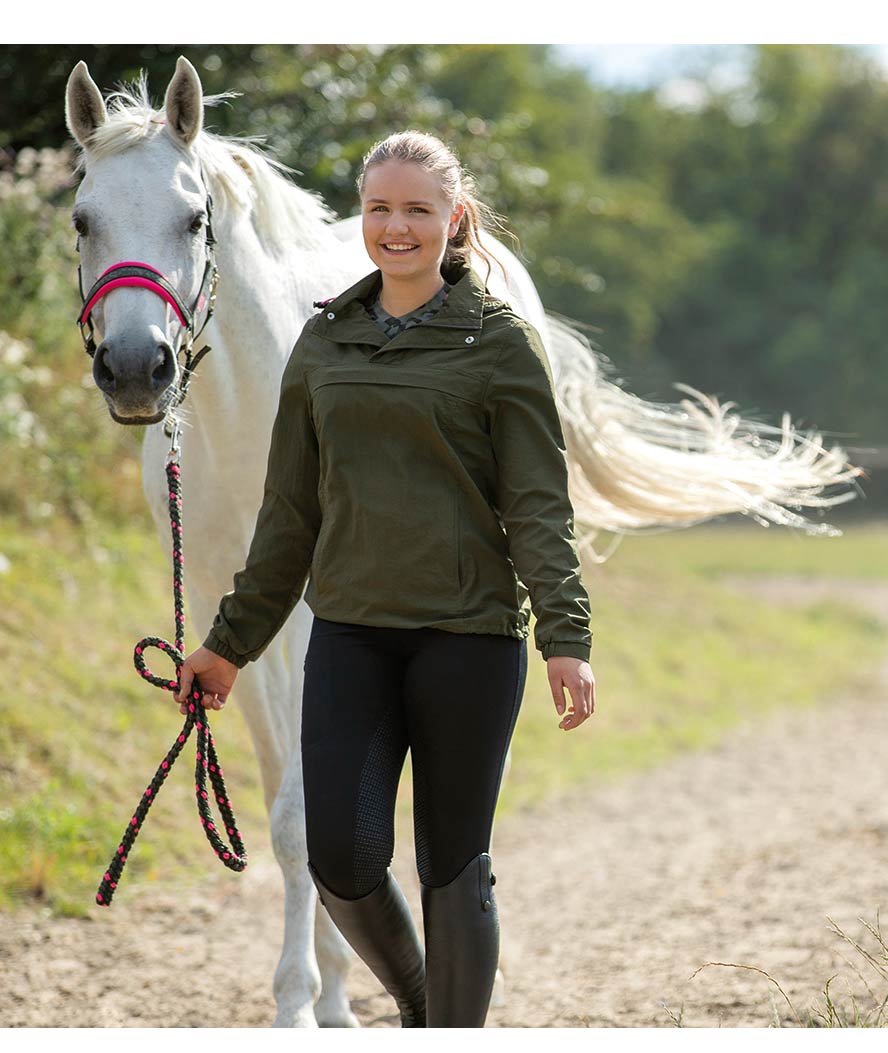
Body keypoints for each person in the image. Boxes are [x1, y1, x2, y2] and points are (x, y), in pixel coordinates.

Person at [175, 130, 595, 1028]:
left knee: (454, 865)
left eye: (416, 210)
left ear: (454, 221)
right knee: (342, 860)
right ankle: (417, 1000)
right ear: (361, 217)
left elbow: (538, 507)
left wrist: (566, 637)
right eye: (379, 208)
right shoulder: (323, 343)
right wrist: (227, 644)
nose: (396, 227)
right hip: (353, 637)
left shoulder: (502, 345)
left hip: (469, 639)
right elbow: (288, 518)